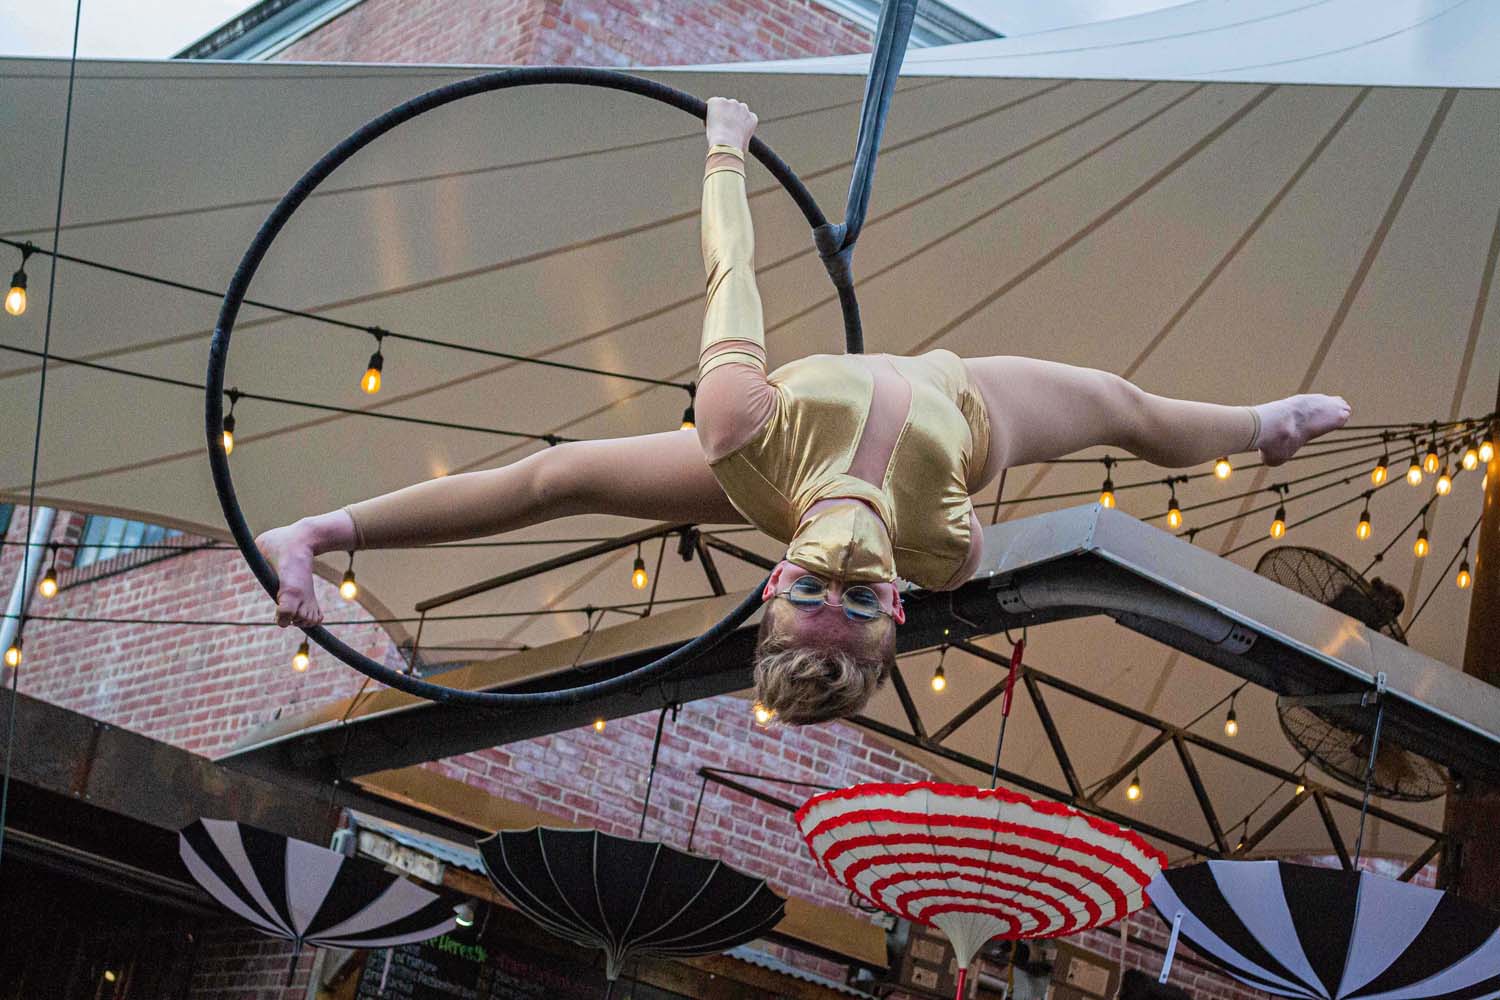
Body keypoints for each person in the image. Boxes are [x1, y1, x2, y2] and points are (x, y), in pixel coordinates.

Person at [256, 97, 1350, 726]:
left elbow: (732, 274)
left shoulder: (740, 431)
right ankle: (1267, 427)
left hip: (784, 460)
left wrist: (726, 147)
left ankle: (317, 528)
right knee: (1117, 400)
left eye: (808, 583)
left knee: (563, 478)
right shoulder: (946, 549)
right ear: (901, 605)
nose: (839, 561)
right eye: (858, 591)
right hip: (966, 403)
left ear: (774, 578)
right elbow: (1042, 483)